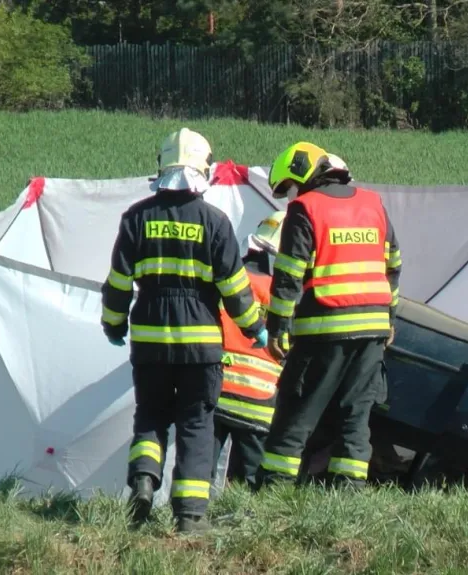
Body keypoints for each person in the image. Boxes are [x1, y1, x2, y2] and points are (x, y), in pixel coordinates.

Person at [100, 127, 267, 533]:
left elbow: (118, 283)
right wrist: (256, 328)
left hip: (150, 341)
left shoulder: (136, 218)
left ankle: (143, 480)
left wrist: (113, 323)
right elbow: (235, 291)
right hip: (200, 345)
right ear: (203, 170)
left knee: (151, 416)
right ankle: (190, 516)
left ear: (163, 167)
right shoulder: (215, 222)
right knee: (196, 424)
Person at [254, 142, 401, 489]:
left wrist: (277, 329)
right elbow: (393, 264)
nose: (289, 197)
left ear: (302, 176)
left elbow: (288, 276)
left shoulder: (305, 208)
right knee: (355, 416)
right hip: (373, 330)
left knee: (296, 412)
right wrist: (390, 318)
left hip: (323, 329)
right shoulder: (373, 203)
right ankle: (349, 494)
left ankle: (274, 490)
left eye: (288, 188)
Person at [212, 212, 286, 489]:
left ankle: (189, 511)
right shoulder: (284, 293)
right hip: (260, 400)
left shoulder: (228, 280)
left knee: (198, 471)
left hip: (217, 391)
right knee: (251, 483)